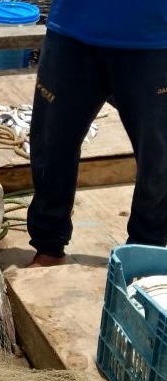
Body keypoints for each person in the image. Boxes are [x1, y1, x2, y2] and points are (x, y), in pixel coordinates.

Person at [26, 0, 167, 267]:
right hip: (73, 31)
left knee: (158, 157)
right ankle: (48, 246)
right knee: (51, 142)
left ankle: (145, 255)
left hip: (155, 39)